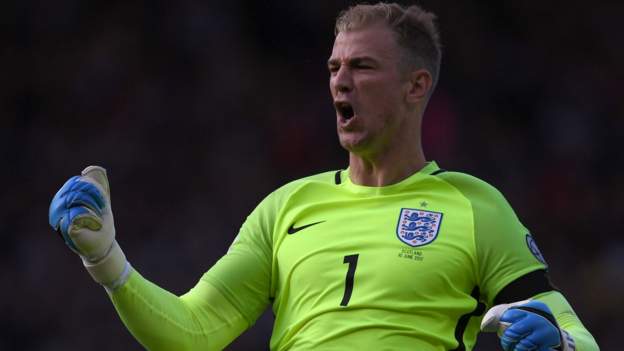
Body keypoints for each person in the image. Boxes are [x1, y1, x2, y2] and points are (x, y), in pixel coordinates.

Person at [48, 3, 599, 351]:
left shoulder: (475, 207)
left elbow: (571, 330)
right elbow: (194, 332)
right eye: (334, 68)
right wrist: (107, 259)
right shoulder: (285, 207)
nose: (340, 82)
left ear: (416, 86)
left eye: (362, 67)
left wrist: (561, 345)